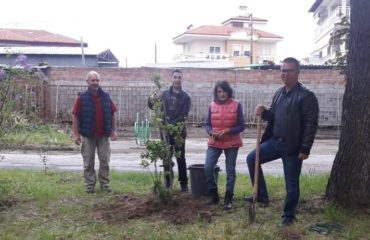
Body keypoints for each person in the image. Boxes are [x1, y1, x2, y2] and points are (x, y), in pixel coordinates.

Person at [245, 57, 319, 226]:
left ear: (297, 73)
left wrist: (305, 148)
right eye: (282, 70)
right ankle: (261, 195)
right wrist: (264, 112)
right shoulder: (279, 93)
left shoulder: (306, 96)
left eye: (289, 70)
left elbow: (311, 124)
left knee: (291, 183)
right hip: (274, 142)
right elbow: (273, 116)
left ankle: (288, 215)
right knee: (252, 159)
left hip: (292, 147)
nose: (284, 73)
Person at [72, 71, 118, 193]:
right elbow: (75, 116)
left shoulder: (106, 96)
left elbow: (112, 114)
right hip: (88, 135)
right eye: (93, 80)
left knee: (105, 161)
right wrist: (76, 134)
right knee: (88, 162)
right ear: (87, 82)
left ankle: (104, 184)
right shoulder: (81, 98)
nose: (95, 83)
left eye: (97, 80)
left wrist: (113, 131)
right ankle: (89, 185)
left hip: (104, 135)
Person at [148, 69, 191, 192]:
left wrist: (170, 127)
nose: (177, 79)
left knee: (180, 158)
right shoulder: (164, 94)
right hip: (165, 134)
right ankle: (168, 183)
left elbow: (183, 116)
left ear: (182, 79)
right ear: (171, 78)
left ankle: (184, 184)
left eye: (179, 77)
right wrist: (151, 97)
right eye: (175, 77)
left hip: (179, 133)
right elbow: (152, 105)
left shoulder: (185, 97)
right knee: (166, 158)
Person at [204, 80, 245, 210]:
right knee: (208, 167)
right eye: (219, 91)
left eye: (224, 91)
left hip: (232, 142)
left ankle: (228, 198)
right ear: (216, 93)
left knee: (230, 170)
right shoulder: (212, 105)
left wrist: (228, 131)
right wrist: (211, 132)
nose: (222, 94)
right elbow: (207, 124)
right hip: (215, 142)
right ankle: (214, 195)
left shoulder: (236, 105)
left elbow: (241, 126)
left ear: (229, 91)